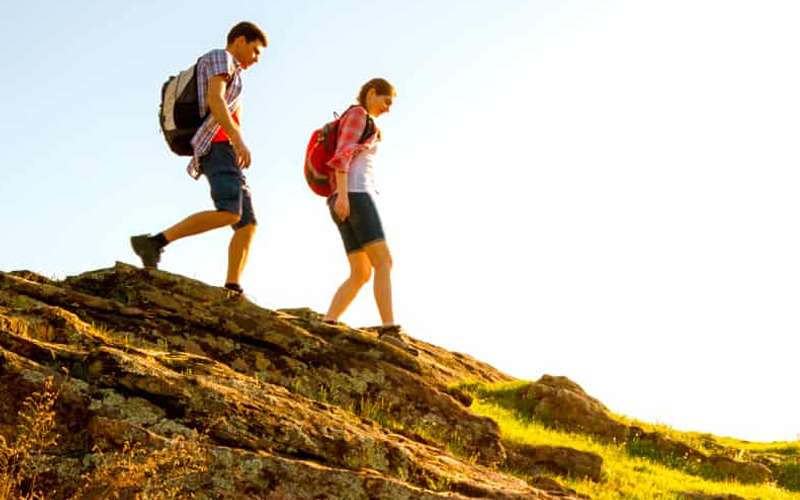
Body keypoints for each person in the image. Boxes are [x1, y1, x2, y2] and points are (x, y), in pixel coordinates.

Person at [130, 22, 267, 296]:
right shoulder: (222, 57)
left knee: (248, 223)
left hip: (226, 149)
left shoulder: (237, 74)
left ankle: (232, 287)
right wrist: (238, 142)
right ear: (239, 40)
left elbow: (231, 113)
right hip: (215, 146)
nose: (256, 59)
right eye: (255, 51)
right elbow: (215, 101)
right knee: (230, 212)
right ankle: (155, 242)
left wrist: (237, 145)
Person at [321, 78, 417, 356]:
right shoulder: (358, 115)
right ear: (372, 93)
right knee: (384, 261)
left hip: (344, 197)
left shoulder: (363, 120)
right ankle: (388, 329)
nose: (388, 108)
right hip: (354, 196)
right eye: (386, 101)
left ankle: (328, 322)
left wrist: (339, 197)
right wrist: (343, 195)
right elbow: (342, 155)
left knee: (361, 271)